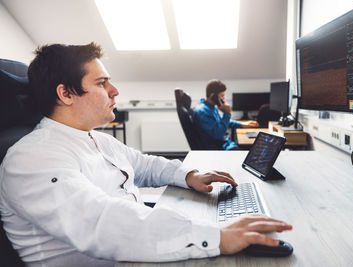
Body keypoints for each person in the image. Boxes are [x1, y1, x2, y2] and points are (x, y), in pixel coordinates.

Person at [0, 43, 292, 266]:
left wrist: (188, 175)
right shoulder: (32, 158)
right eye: (102, 83)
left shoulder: (94, 138)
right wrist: (215, 234)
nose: (114, 91)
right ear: (66, 94)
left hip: (131, 253)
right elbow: (102, 220)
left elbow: (144, 164)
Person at [193, 79, 259, 150]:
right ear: (212, 95)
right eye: (222, 96)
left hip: (221, 143)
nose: (223, 98)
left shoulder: (211, 107)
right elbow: (219, 134)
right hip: (215, 148)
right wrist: (227, 113)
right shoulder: (203, 111)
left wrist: (242, 124)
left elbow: (220, 122)